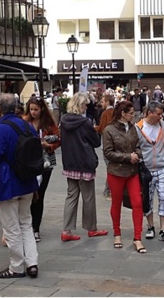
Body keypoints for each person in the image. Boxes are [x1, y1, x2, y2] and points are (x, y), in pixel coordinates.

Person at [0, 93, 39, 279]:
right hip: (27, 181)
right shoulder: (27, 126)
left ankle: (16, 267)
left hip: (8, 182)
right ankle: (32, 263)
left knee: (11, 227)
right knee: (26, 223)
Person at [60, 92, 108, 242]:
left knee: (71, 195)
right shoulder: (85, 122)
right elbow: (96, 142)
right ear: (80, 105)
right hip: (84, 162)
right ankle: (91, 228)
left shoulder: (63, 121)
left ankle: (66, 230)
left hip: (70, 162)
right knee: (88, 197)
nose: (86, 107)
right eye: (85, 104)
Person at [102, 101, 146, 253]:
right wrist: (128, 157)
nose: (133, 116)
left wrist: (136, 155)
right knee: (116, 203)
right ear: (123, 114)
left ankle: (138, 237)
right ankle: (117, 233)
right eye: (131, 113)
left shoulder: (134, 128)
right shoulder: (109, 130)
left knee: (138, 202)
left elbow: (139, 147)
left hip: (132, 172)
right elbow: (108, 152)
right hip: (116, 172)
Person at [136, 101, 164, 243]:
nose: (161, 116)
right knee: (147, 199)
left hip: (162, 167)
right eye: (158, 114)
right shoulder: (138, 128)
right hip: (146, 169)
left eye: (161, 113)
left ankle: (163, 229)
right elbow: (135, 147)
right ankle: (150, 226)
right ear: (149, 113)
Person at [23, 96, 61, 242]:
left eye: (36, 109)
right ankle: (28, 226)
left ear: (42, 109)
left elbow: (58, 139)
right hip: (28, 162)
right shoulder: (25, 122)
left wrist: (49, 145)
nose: (33, 112)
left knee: (40, 195)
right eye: (31, 109)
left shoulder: (49, 123)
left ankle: (35, 228)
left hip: (45, 162)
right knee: (28, 194)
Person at [95, 93, 116, 199]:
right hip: (116, 143)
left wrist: (94, 128)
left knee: (110, 167)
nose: (101, 103)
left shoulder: (105, 113)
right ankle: (109, 189)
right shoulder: (116, 112)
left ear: (107, 102)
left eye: (103, 101)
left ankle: (108, 190)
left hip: (107, 144)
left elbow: (101, 128)